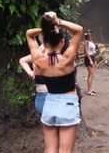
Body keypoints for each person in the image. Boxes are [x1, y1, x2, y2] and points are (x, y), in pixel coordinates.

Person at [26, 11, 83, 153]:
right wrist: (57, 22)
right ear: (62, 42)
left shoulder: (39, 60)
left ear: (44, 43)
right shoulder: (67, 60)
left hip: (49, 103)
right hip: (68, 104)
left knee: (50, 149)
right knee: (65, 150)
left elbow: (29, 34)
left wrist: (46, 28)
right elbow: (79, 31)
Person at [18, 43, 48, 115]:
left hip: (53, 95)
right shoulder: (38, 53)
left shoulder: (56, 54)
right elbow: (22, 60)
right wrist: (30, 72)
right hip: (41, 95)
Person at [83, 30, 97, 96]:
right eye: (89, 34)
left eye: (91, 34)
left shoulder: (91, 42)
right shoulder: (86, 42)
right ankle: (89, 91)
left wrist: (94, 60)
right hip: (89, 59)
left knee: (91, 75)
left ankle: (90, 89)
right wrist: (90, 60)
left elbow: (93, 51)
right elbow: (86, 51)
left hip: (93, 58)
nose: (90, 35)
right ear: (87, 35)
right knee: (91, 75)